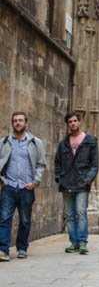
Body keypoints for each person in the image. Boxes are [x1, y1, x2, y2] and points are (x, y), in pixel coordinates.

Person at [0, 112, 46, 261]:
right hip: (9, 187)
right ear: (12, 123)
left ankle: (22, 248)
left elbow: (41, 164)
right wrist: (2, 180)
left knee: (25, 220)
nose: (18, 123)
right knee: (4, 218)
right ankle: (3, 250)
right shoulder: (5, 141)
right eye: (15, 121)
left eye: (20, 120)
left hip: (27, 187)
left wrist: (35, 182)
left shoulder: (35, 142)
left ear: (26, 123)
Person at [55, 111, 99, 255]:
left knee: (80, 212)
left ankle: (82, 243)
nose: (73, 123)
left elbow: (95, 165)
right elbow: (58, 163)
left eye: (75, 121)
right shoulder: (63, 144)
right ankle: (73, 243)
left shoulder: (90, 141)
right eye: (70, 122)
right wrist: (59, 178)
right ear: (67, 124)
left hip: (82, 183)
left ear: (79, 122)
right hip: (66, 183)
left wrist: (87, 180)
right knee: (69, 214)